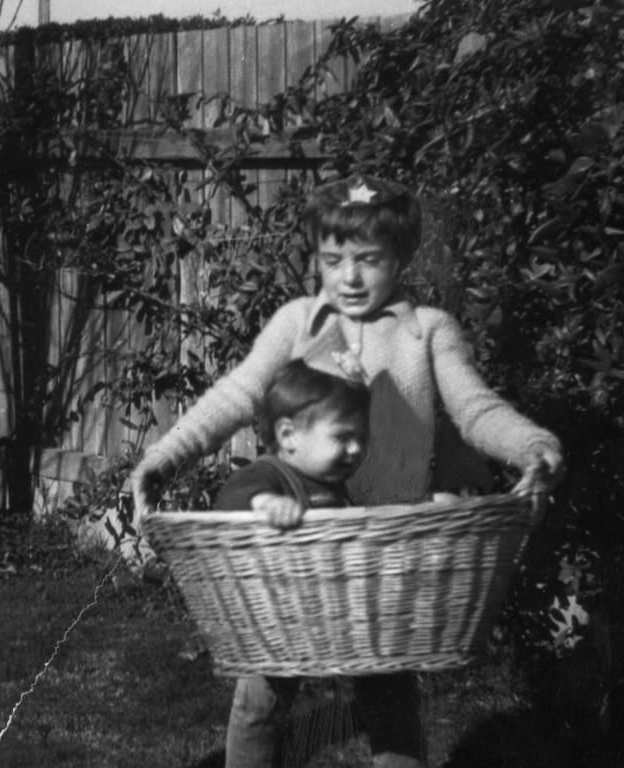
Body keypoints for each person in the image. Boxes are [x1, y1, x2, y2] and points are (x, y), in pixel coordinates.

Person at [132, 174, 565, 768]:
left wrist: (531, 446)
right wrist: (166, 454)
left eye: (369, 260)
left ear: (401, 257)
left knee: (388, 694)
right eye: (333, 260)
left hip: (384, 547)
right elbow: (236, 394)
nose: (349, 278)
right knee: (262, 690)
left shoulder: (428, 331)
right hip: (294, 538)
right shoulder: (298, 323)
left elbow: (475, 409)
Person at [215, 359, 370, 767]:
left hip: (332, 613)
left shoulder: (335, 486)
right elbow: (231, 501)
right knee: (259, 706)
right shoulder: (267, 475)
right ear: (288, 435)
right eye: (343, 436)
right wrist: (263, 505)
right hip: (276, 619)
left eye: (361, 437)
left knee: (387, 689)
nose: (356, 448)